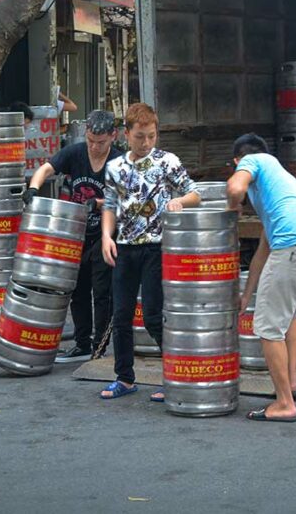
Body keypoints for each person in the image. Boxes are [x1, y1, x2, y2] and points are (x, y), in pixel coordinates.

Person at [226, 133, 296, 423]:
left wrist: (232, 206)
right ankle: (291, 382)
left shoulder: (254, 160)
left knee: (267, 327)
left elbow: (235, 187)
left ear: (237, 161)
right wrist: (246, 295)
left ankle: (285, 403)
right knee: (290, 315)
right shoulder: (278, 189)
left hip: (294, 250)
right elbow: (263, 252)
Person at [99, 103, 200, 400]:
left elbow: (195, 193)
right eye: (140, 137)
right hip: (125, 247)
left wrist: (180, 201)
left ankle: (175, 375)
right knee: (121, 315)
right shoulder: (115, 167)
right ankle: (124, 378)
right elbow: (109, 205)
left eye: (151, 137)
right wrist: (106, 236)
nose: (146, 143)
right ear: (126, 134)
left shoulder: (167, 162)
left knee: (154, 315)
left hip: (156, 247)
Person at [25, 110, 122, 363]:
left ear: (113, 136)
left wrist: (98, 203)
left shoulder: (120, 162)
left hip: (106, 236)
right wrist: (33, 188)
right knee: (77, 290)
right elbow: (46, 168)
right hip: (76, 235)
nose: (94, 147)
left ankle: (100, 346)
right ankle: (82, 344)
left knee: (102, 292)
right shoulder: (75, 153)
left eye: (100, 142)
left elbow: (126, 200)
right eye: (90, 140)